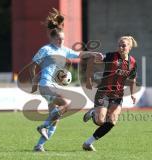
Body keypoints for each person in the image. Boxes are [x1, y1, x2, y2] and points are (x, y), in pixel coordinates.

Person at [31, 9, 102, 152]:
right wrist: (34, 82)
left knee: (56, 119)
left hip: (54, 85)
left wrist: (93, 53)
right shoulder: (45, 49)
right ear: (53, 38)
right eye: (59, 39)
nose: (61, 41)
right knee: (67, 103)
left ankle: (39, 146)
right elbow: (33, 65)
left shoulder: (64, 50)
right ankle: (42, 126)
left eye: (63, 39)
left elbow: (80, 53)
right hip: (45, 84)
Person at [82, 36, 138, 151]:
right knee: (100, 121)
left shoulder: (132, 62)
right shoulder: (111, 56)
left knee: (112, 121)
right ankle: (94, 114)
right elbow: (95, 60)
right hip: (103, 92)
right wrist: (88, 79)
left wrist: (133, 94)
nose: (121, 47)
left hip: (117, 95)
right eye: (119, 45)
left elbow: (132, 80)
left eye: (124, 45)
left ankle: (88, 143)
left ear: (130, 47)